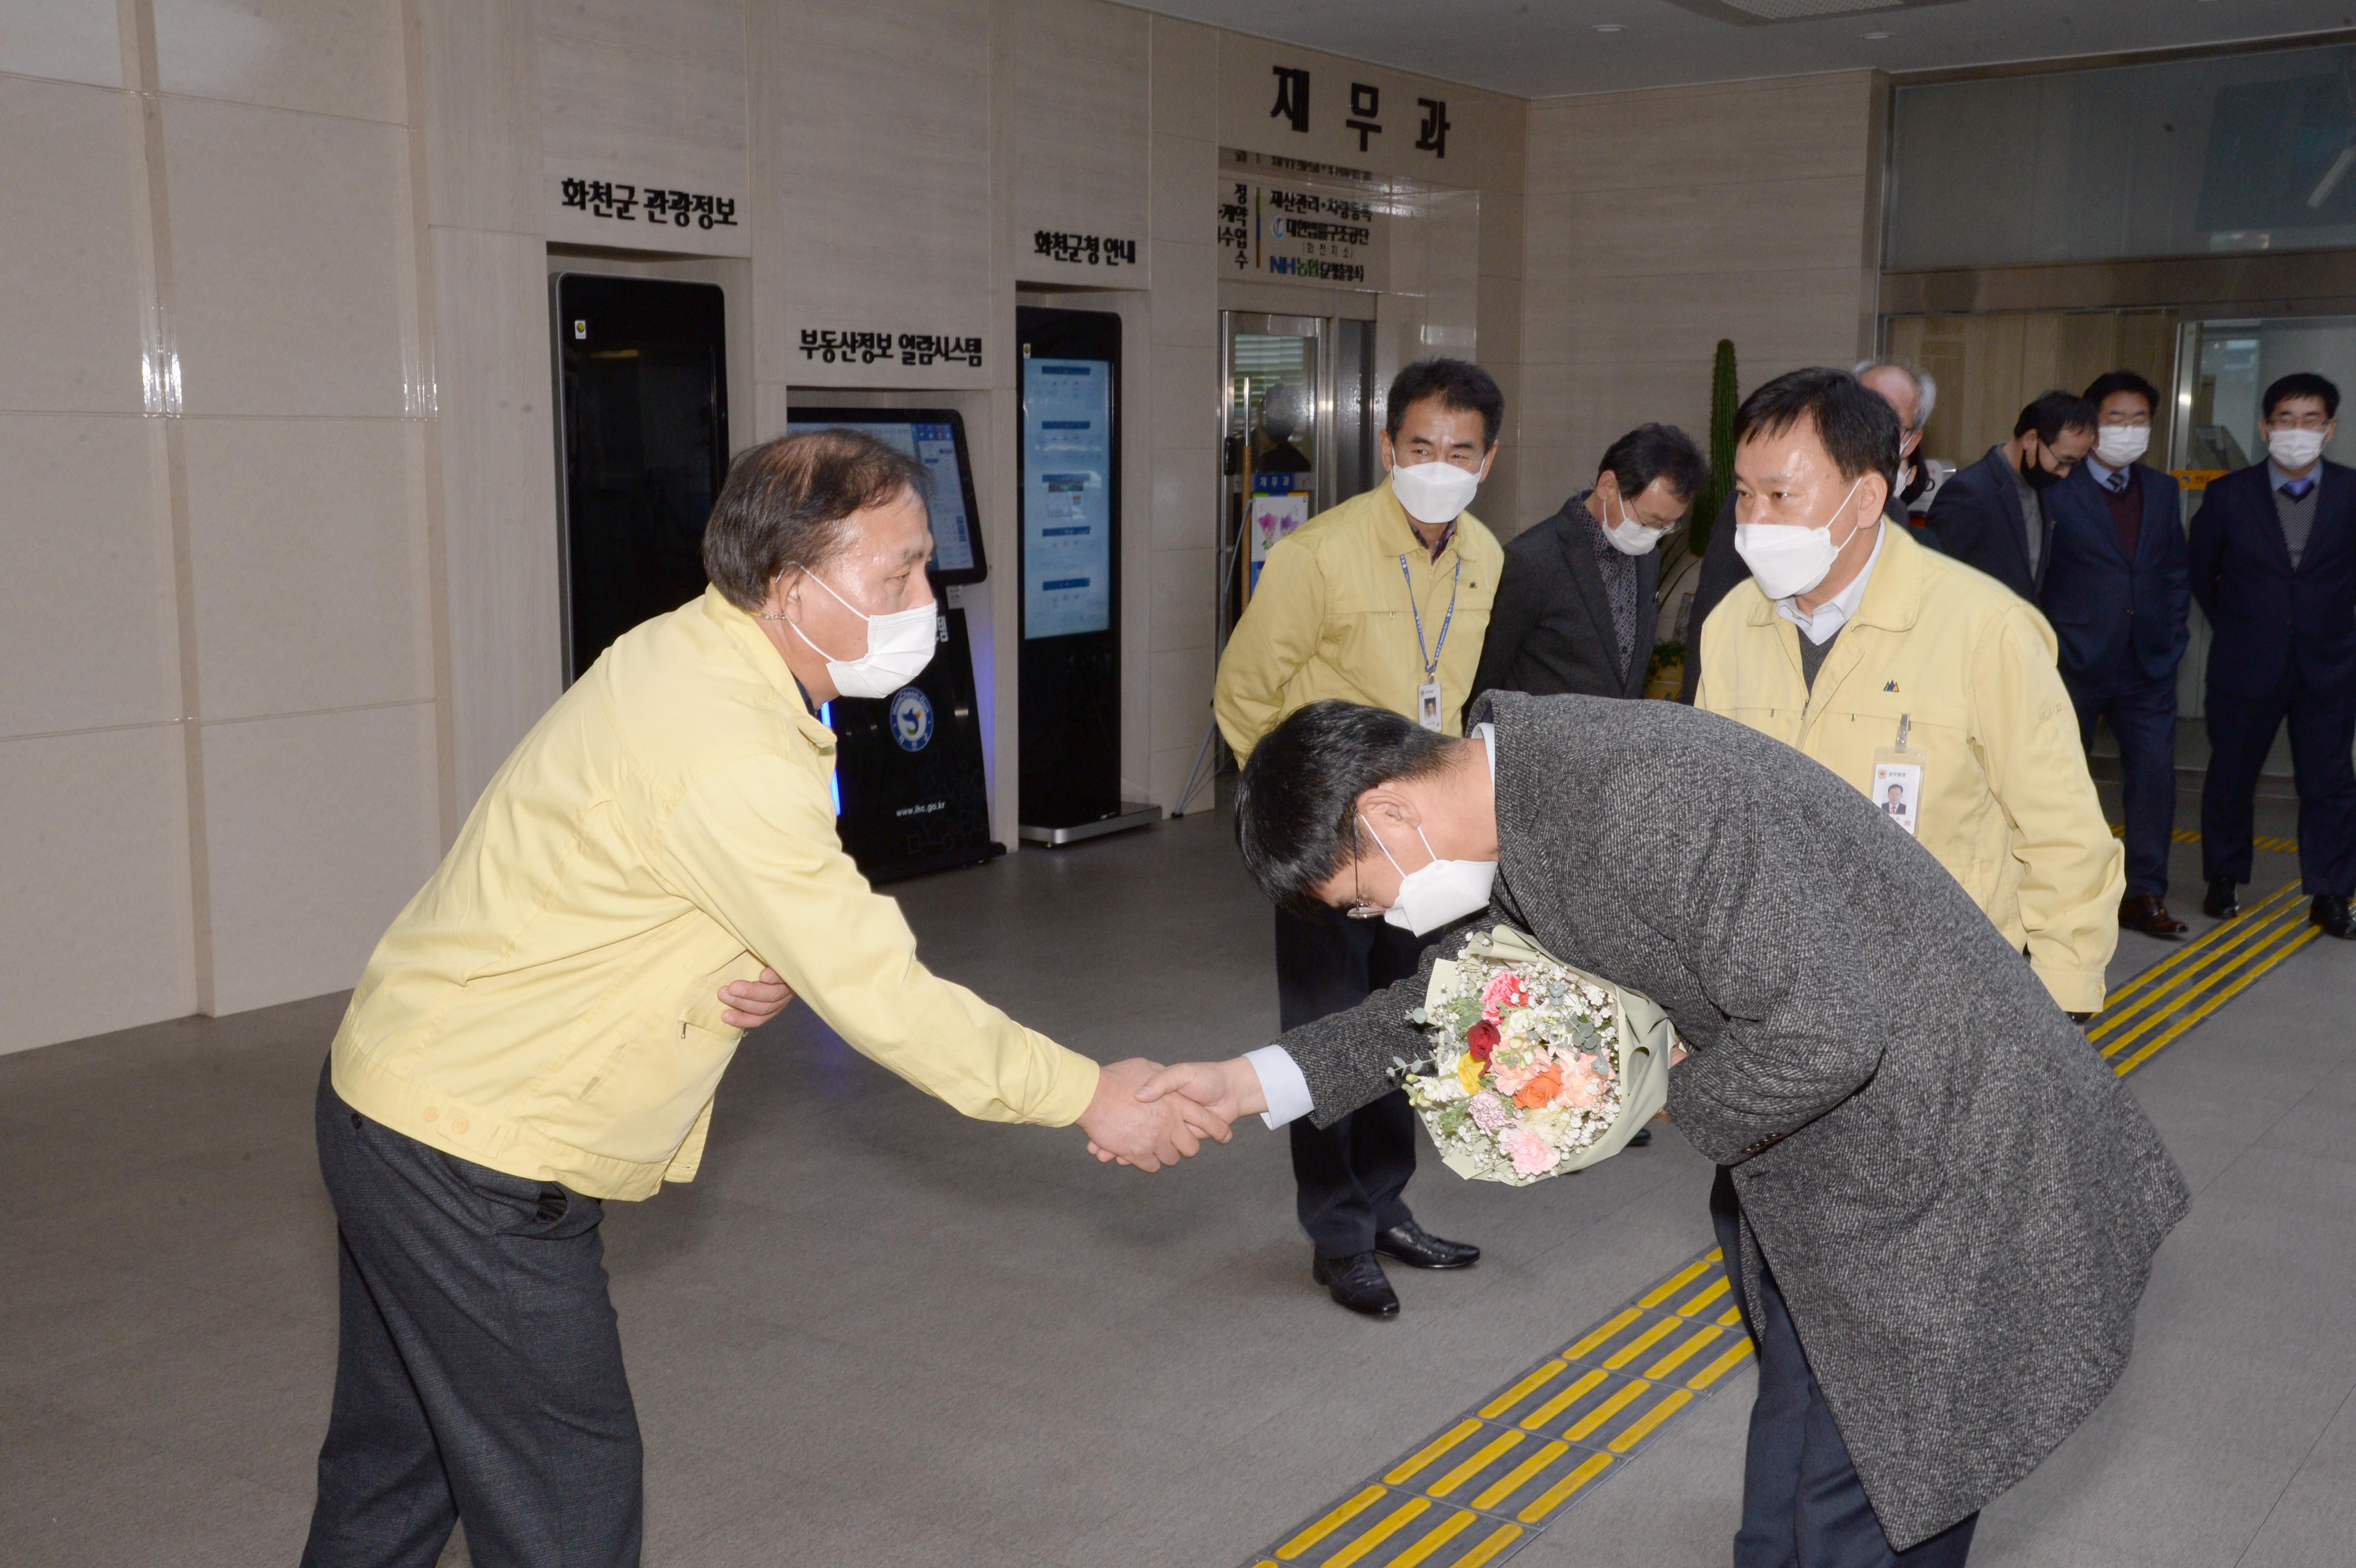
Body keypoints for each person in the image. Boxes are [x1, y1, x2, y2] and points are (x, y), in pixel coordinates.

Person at [302, 431, 1228, 1568]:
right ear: (794, 586)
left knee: (404, 1462)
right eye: (895, 575)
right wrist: (1089, 1094)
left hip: (399, 1091)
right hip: (475, 1150)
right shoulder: (727, 745)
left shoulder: (692, 649)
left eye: (923, 564)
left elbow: (637, 865)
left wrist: (739, 942)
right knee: (566, 1497)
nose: (922, 598)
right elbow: (881, 992)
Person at [1144, 693, 2188, 1568]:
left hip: (1938, 1161)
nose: (1386, 921)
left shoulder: (1634, 800)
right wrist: (1251, 1081)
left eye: (1364, 899)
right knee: (1790, 1455)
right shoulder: (1521, 794)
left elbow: (1829, 1032)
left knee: (1870, 1500)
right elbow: (1453, 996)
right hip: (1822, 1167)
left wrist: (1643, 1091)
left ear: (1389, 812)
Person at [1694, 368, 2122, 1019]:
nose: (1754, 521)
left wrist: (2062, 1005)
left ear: (1866, 499)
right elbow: (1712, 819)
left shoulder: (1985, 630)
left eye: (1782, 497)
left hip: (1940, 1002)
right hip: (1777, 1000)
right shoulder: (1733, 626)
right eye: (1745, 496)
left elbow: (2063, 832)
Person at [1212, 358, 1502, 1318]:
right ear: (1387, 446)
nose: (1438, 463)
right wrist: (1308, 824)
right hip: (1337, 854)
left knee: (1411, 1026)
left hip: (1428, 852)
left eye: (1460, 449)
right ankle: (1337, 1233)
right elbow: (1243, 695)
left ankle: (1386, 1204)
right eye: (1421, 445)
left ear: (1488, 459)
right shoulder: (1318, 554)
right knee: (1328, 1035)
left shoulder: (1487, 559)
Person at [2190, 372, 2356, 940]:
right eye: (2285, 420)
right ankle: (2223, 879)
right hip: (2244, 663)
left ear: (2329, 429)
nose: (2297, 431)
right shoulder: (2227, 495)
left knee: (2329, 783)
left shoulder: (2350, 491)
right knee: (2231, 776)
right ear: (2264, 427)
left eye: (2311, 421)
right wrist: (2242, 625)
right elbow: (2202, 574)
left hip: (2328, 665)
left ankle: (2331, 894)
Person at [1680, 358, 1938, 704]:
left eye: (1888, 420)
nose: (1756, 520)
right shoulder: (1729, 618)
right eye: (1746, 494)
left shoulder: (1970, 625)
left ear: (1910, 442)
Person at [2042, 371, 2192, 939]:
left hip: (2147, 663)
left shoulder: (2161, 488)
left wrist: (2173, 636)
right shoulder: (2057, 484)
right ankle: (2069, 893)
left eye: (2138, 420)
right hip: (2072, 661)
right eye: (2114, 419)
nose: (2127, 430)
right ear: (2089, 423)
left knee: (2153, 779)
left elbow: (2174, 570)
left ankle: (2145, 893)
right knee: (2062, 782)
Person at [1470, 422, 1707, 704]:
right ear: (1608, 486)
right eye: (1649, 521)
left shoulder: (1648, 560)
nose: (1653, 535)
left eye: (1666, 527)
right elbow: (1485, 680)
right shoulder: (1532, 560)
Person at [1929, 392, 2095, 602]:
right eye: (2063, 461)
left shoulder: (2042, 486)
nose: (2065, 473)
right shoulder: (1970, 491)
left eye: (2075, 464)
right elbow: (1936, 576)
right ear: (2031, 439)